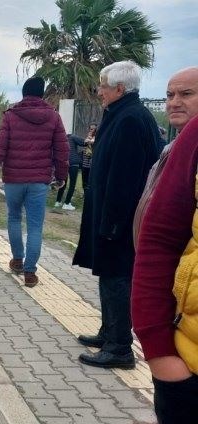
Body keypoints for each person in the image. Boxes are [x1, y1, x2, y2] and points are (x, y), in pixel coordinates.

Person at [72, 61, 162, 370]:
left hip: (120, 220)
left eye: (103, 87)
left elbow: (125, 178)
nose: (99, 92)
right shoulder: (120, 114)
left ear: (120, 89)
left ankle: (120, 347)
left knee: (118, 279)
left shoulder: (131, 120)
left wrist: (111, 222)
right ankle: (108, 332)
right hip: (110, 215)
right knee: (108, 275)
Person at [126, 66, 198, 424]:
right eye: (170, 94)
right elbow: (162, 231)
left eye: (185, 94)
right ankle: (166, 417)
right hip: (172, 284)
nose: (173, 102)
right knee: (173, 358)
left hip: (180, 284)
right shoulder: (178, 146)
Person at [0, 76, 69, 287]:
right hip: (39, 181)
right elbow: (62, 150)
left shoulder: (11, 116)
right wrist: (61, 176)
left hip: (13, 179)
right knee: (35, 227)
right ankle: (30, 273)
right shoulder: (54, 117)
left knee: (13, 218)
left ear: (23, 92)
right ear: (42, 94)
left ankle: (17, 260)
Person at [54, 133, 86, 210]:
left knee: (63, 183)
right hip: (73, 163)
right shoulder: (73, 136)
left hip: (64, 163)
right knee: (72, 184)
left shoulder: (62, 139)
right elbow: (83, 142)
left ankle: (58, 202)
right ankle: (67, 203)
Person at [80, 123, 96, 192]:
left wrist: (91, 140)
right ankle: (85, 193)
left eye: (94, 129)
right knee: (84, 180)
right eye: (91, 129)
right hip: (85, 164)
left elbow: (93, 142)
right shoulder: (87, 138)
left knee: (91, 182)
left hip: (93, 165)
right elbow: (85, 143)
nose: (92, 130)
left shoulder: (97, 138)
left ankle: (89, 193)